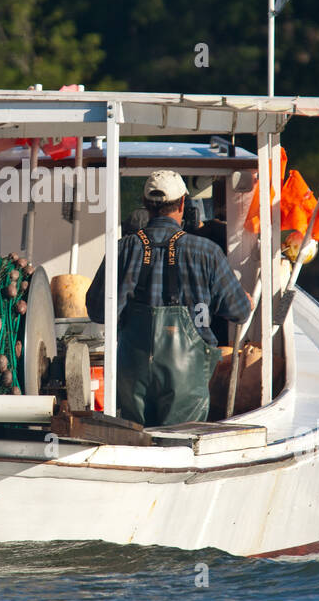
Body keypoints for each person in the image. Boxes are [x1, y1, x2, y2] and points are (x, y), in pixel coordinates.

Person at [86, 170, 252, 427]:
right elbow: (239, 312)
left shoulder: (122, 249)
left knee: (134, 442)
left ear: (145, 204)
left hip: (132, 372)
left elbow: (97, 311)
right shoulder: (206, 251)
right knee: (180, 445)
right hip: (187, 376)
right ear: (183, 203)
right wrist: (246, 301)